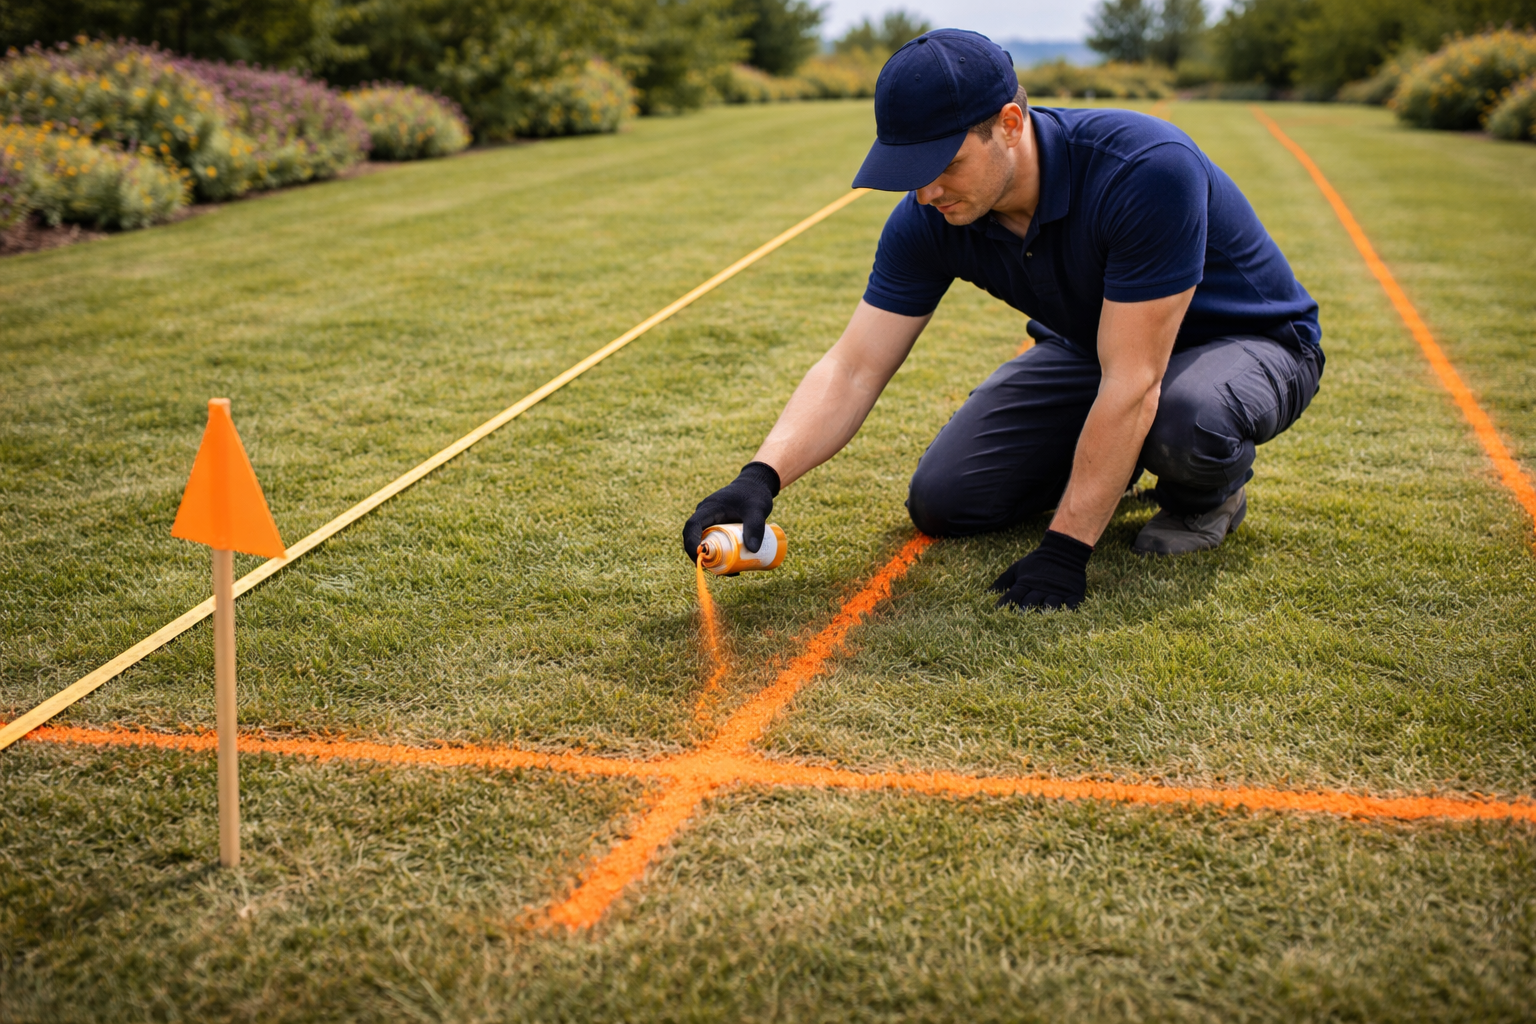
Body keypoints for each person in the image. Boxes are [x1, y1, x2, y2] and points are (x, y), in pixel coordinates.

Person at [683, 29, 1323, 612]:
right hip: (1092, 350)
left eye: (944, 164)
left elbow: (1135, 380)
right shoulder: (929, 215)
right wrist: (758, 478)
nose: (927, 191)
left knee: (1187, 417)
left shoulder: (1144, 169)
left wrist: (1066, 550)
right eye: (912, 172)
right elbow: (854, 366)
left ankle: (1208, 494)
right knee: (947, 500)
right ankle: (1113, 463)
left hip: (1248, 342)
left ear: (1010, 124)